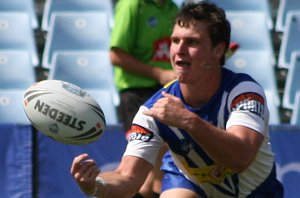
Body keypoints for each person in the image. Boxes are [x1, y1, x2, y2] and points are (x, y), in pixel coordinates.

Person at [70, 2, 284, 198]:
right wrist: (95, 185)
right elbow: (127, 177)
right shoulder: (153, 110)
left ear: (219, 50)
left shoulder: (244, 92)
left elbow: (240, 158)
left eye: (192, 42)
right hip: (190, 182)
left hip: (257, 191)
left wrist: (188, 121)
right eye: (175, 41)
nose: (179, 49)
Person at [109, 0, 178, 197]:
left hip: (164, 90)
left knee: (153, 174)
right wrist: (159, 73)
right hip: (136, 93)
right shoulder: (132, 5)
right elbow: (115, 56)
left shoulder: (172, 7)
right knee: (150, 162)